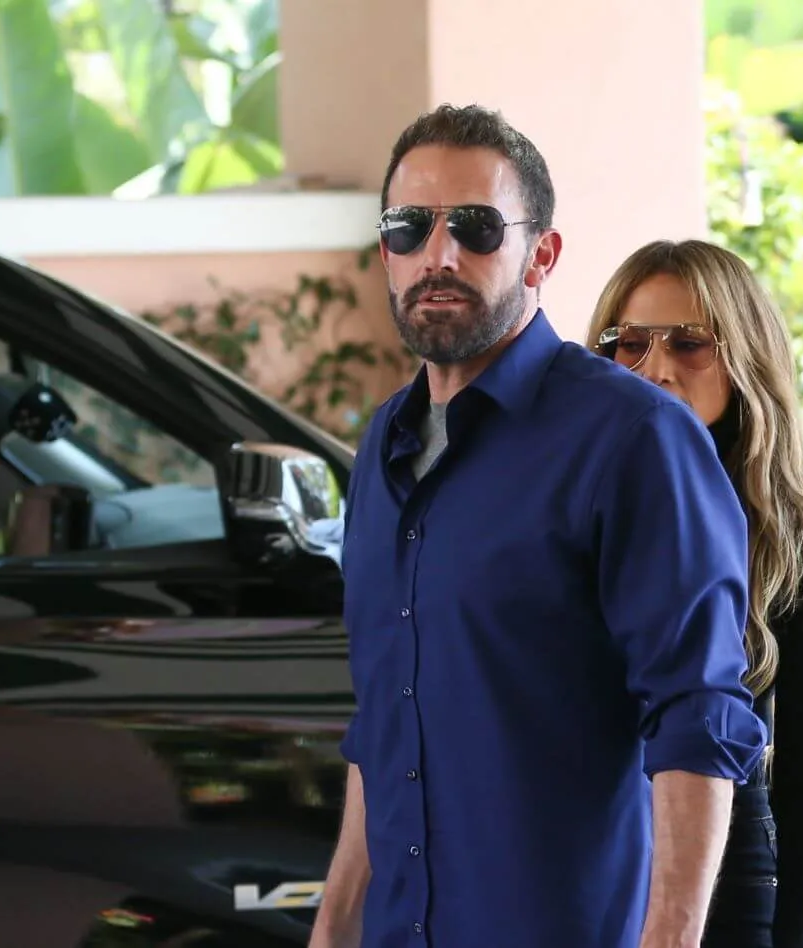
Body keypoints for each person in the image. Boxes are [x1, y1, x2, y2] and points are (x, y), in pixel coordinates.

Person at [308, 105, 768, 948]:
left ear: (542, 255)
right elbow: (384, 723)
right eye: (410, 227)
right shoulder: (381, 447)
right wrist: (333, 928)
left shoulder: (634, 438)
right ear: (386, 251)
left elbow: (697, 720)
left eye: (477, 227)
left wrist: (669, 940)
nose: (439, 254)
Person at [586, 239, 803, 948]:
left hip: (725, 894)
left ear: (744, 359)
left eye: (689, 344)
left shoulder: (796, 538)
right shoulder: (562, 513)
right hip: (578, 876)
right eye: (632, 343)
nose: (656, 369)